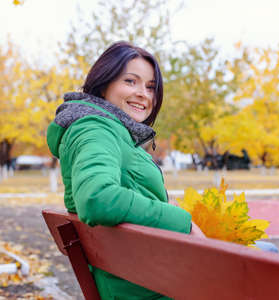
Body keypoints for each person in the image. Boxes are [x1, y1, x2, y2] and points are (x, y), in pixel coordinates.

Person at [47, 41, 205, 300]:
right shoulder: (95, 128)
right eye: (131, 81)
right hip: (149, 286)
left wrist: (167, 204)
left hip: (140, 273)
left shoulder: (111, 130)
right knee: (268, 259)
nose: (144, 93)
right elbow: (98, 198)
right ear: (103, 83)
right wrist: (182, 222)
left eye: (150, 87)